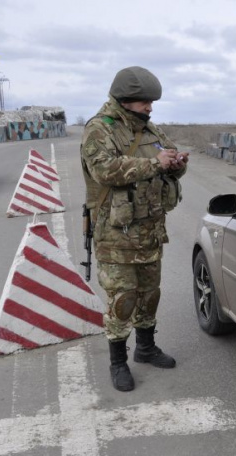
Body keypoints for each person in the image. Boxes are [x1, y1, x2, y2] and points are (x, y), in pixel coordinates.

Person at [80, 66, 188, 392]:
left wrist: (177, 164)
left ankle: (145, 348)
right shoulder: (100, 129)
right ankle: (117, 362)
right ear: (125, 99)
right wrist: (157, 163)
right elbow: (106, 171)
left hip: (150, 227)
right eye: (145, 102)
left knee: (149, 293)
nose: (150, 108)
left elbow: (168, 160)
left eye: (151, 102)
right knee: (123, 298)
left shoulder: (148, 128)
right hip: (116, 231)